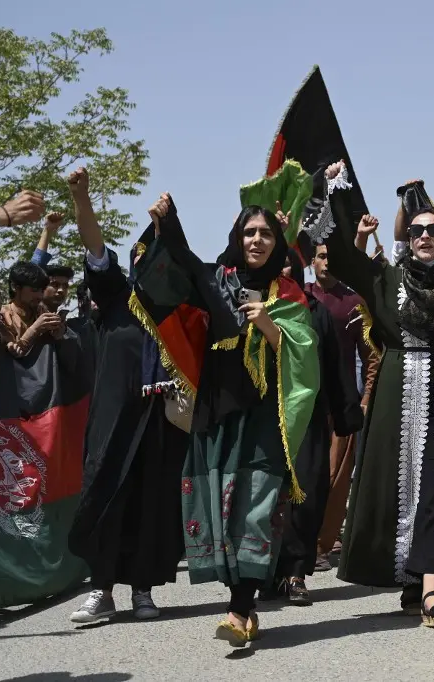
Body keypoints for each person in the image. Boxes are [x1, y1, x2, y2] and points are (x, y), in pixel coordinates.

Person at [131, 193, 318, 647]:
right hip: (217, 408)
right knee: (220, 510)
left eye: (266, 234)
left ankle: (239, 608)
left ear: (278, 242)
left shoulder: (288, 293)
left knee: (254, 508)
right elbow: (186, 266)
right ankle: (245, 605)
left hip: (263, 414)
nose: (257, 240)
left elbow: (305, 357)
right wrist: (169, 223)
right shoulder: (218, 279)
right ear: (237, 237)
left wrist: (270, 328)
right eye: (249, 232)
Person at [302, 161, 434, 630]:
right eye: (418, 229)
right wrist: (337, 190)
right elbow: (338, 254)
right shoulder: (387, 279)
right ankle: (411, 579)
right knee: (399, 491)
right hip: (399, 399)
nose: (424, 236)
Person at [65, 168, 188, 626]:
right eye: (145, 254)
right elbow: (95, 244)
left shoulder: (180, 314)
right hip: (113, 420)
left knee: (150, 501)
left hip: (159, 421)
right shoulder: (117, 295)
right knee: (105, 495)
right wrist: (82, 197)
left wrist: (168, 227)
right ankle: (101, 589)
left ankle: (142, 589)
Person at [267, 248, 362, 604]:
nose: (287, 265)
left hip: (307, 416)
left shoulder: (313, 310)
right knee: (265, 496)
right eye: (281, 258)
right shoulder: (253, 306)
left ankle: (294, 573)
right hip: (263, 419)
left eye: (293, 260)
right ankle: (263, 574)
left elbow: (335, 365)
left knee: (305, 493)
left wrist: (345, 414)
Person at [306, 241, 374, 570]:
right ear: (311, 261)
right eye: (321, 256)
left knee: (334, 479)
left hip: (342, 405)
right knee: (304, 477)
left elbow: (371, 357)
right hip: (303, 405)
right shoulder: (299, 297)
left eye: (332, 257)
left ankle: (320, 546)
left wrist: (364, 401)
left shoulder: (353, 302)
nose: (326, 263)